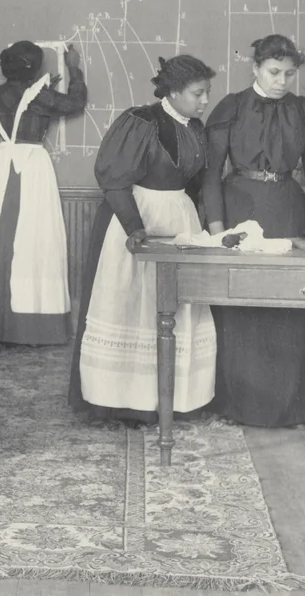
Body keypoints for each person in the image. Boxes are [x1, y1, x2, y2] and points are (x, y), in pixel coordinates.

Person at [69, 54, 217, 422]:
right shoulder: (141, 121)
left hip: (179, 218)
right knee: (131, 302)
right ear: (174, 91)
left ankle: (173, 397)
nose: (204, 101)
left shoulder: (196, 128)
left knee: (173, 305)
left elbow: (197, 183)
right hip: (135, 216)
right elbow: (114, 178)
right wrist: (135, 227)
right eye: (198, 93)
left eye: (206, 93)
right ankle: (121, 400)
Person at [201, 35, 305, 428]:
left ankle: (296, 409)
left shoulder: (304, 109)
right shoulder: (232, 107)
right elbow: (210, 174)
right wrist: (218, 228)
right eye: (274, 72)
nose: (282, 81)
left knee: (291, 305)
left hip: (289, 210)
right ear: (255, 68)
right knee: (243, 306)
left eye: (290, 74)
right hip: (240, 207)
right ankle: (241, 406)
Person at [0, 41, 88, 345]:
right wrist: (73, 68)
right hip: (30, 171)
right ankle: (27, 328)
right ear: (32, 69)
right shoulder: (39, 98)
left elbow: (20, 105)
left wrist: (39, 91)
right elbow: (75, 103)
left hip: (4, 168)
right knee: (32, 241)